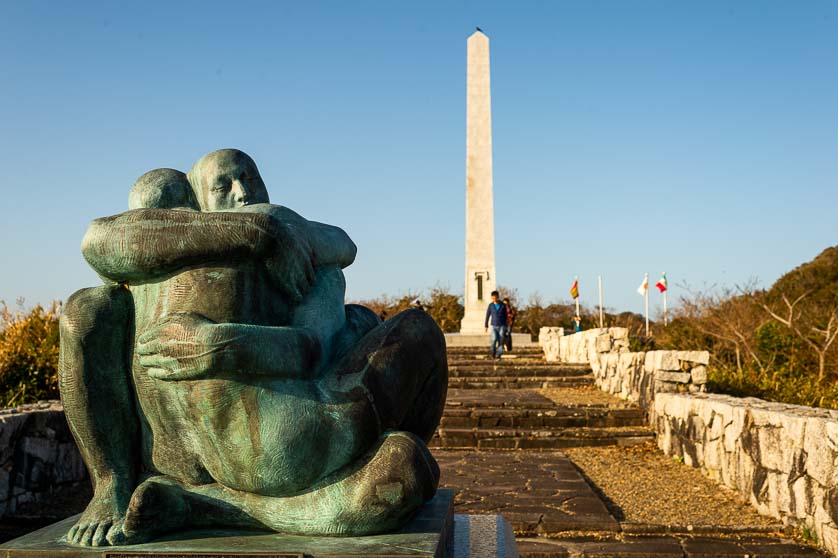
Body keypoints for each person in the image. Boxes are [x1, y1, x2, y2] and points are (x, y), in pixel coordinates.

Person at [59, 149, 447, 546]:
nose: (243, 193)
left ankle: (206, 504)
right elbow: (97, 241)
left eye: (250, 178)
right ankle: (118, 484)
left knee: (364, 334)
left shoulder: (293, 242)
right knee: (410, 384)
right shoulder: (239, 236)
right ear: (196, 198)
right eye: (224, 185)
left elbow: (316, 332)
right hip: (269, 448)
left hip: (224, 447)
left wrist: (219, 343)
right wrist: (258, 233)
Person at [483, 290, 508, 359]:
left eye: (495, 298)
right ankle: (493, 353)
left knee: (501, 340)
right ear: (491, 297)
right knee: (493, 340)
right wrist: (486, 325)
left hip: (502, 325)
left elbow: (506, 316)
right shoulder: (490, 305)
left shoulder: (503, 305)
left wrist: (506, 325)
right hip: (494, 325)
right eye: (493, 298)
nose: (494, 299)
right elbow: (487, 315)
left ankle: (498, 354)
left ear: (498, 297)